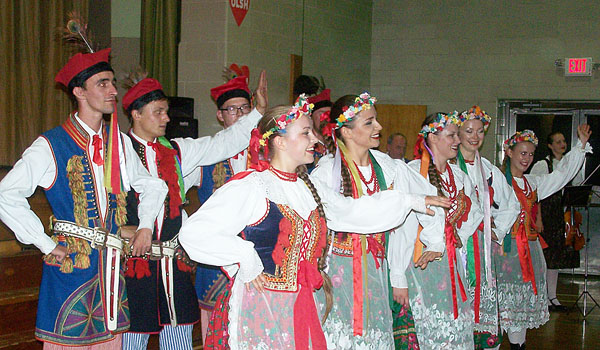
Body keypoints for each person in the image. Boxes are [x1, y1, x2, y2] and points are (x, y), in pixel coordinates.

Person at [178, 98, 450, 350]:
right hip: (259, 306)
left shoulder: (306, 187)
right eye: (305, 133)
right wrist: (243, 257)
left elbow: (352, 211)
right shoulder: (253, 186)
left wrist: (412, 201)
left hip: (300, 305)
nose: (315, 140)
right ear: (280, 142)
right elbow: (194, 233)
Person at [0, 48, 168, 348]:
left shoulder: (117, 142)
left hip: (112, 273)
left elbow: (153, 185)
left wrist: (144, 225)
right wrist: (45, 243)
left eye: (113, 82)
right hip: (71, 269)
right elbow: (6, 194)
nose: (113, 91)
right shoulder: (51, 144)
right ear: (79, 91)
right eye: (102, 83)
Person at [119, 71, 267, 349]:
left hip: (172, 263)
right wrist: (119, 228)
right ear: (137, 114)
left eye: (167, 112)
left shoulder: (177, 151)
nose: (167, 118)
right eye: (159, 112)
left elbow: (222, 143)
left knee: (179, 333)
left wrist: (257, 111)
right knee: (133, 335)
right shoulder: (118, 151)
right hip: (135, 262)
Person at [312, 94, 447, 350]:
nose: (379, 128)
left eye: (376, 120)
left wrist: (434, 239)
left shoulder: (388, 167)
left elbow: (425, 196)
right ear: (348, 133)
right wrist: (408, 201)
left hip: (376, 272)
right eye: (369, 122)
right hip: (338, 274)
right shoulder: (326, 172)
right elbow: (348, 214)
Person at [495, 126, 591, 349]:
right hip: (503, 252)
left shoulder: (532, 183)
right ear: (509, 152)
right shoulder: (496, 180)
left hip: (529, 251)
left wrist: (580, 147)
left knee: (520, 308)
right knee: (501, 307)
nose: (527, 158)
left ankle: (519, 345)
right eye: (522, 153)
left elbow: (560, 176)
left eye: (530, 154)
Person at [397, 112, 484, 350]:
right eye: (451, 135)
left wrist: (458, 237)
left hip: (451, 259)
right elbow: (405, 222)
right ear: (432, 138)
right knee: (426, 324)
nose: (457, 140)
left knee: (452, 326)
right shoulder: (414, 171)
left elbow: (474, 212)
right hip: (421, 260)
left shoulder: (458, 175)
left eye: (457, 135)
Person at [194, 73, 259, 341]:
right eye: (232, 110)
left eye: (245, 108)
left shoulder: (266, 154)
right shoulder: (206, 155)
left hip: (257, 259)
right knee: (215, 332)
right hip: (216, 263)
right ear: (220, 116)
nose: (240, 116)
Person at [456, 106, 520, 349]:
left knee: (481, 303)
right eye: (468, 131)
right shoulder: (448, 166)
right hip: (457, 247)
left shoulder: (489, 170)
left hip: (481, 250)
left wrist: (497, 231)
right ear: (458, 134)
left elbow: (511, 204)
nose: (475, 137)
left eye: (480, 131)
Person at [530, 131, 586, 311]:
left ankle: (552, 296)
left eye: (564, 141)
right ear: (550, 145)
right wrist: (538, 219)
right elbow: (535, 194)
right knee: (545, 258)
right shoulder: (542, 165)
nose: (562, 144)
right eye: (558, 141)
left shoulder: (568, 165)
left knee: (556, 259)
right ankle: (541, 298)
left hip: (560, 216)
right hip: (546, 215)